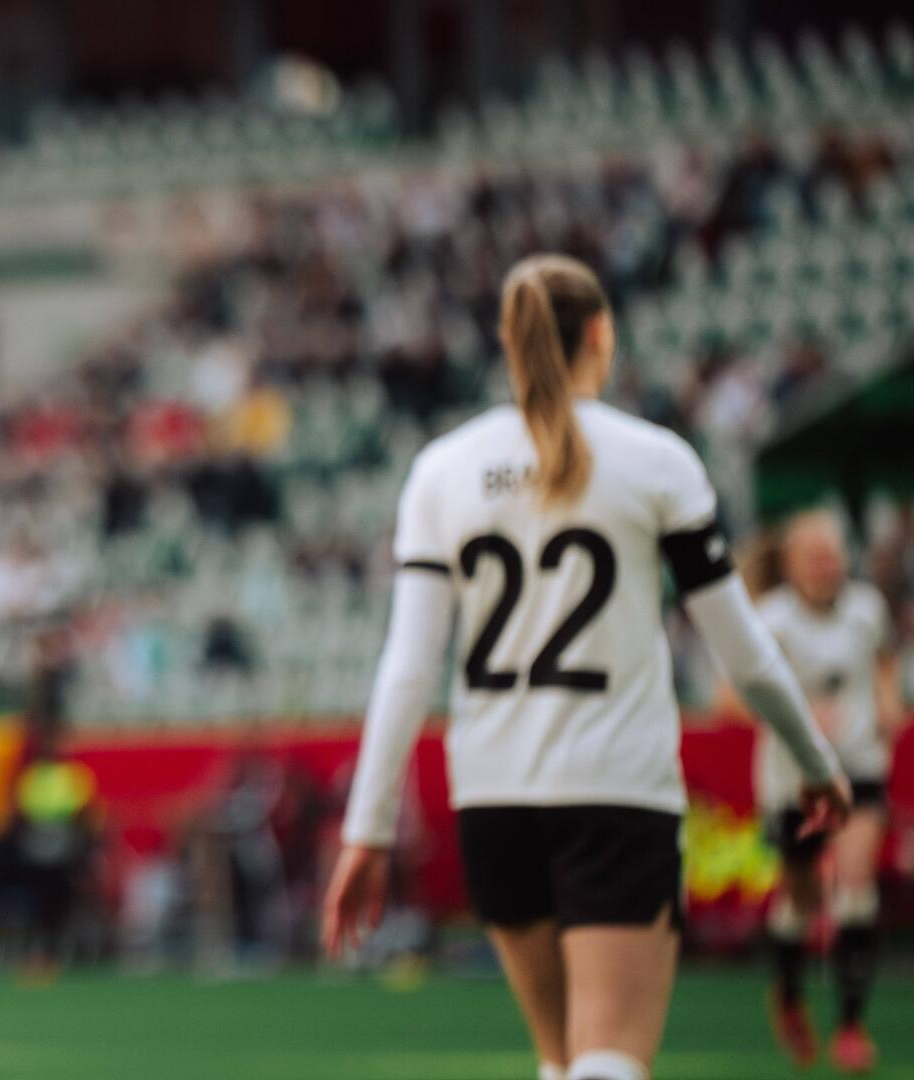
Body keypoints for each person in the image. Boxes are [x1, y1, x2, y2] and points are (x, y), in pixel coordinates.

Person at [321, 254, 850, 1080]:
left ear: (508, 342)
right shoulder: (656, 461)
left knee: (562, 1060)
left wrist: (368, 828)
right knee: (609, 1059)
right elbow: (742, 647)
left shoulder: (443, 470)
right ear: (602, 335)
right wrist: (816, 764)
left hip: (493, 797)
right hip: (615, 789)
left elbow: (408, 667)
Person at [750, 509, 902, 1074]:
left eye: (831, 556)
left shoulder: (866, 608)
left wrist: (887, 701)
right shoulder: (770, 620)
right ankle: (790, 996)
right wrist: (794, 716)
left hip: (858, 765)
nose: (824, 568)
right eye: (813, 558)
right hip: (794, 779)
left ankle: (850, 1026)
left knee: (856, 886)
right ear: (790, 564)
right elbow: (732, 696)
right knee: (801, 896)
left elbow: (884, 661)